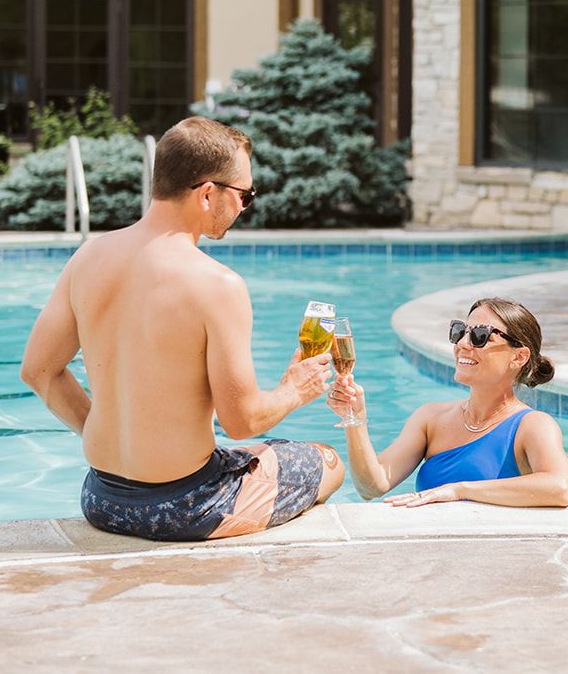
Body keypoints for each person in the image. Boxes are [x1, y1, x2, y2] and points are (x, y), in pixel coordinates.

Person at [20, 116, 344, 542]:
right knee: (327, 461)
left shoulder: (87, 258)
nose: (245, 206)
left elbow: (38, 371)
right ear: (208, 193)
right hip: (186, 508)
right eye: (245, 194)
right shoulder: (218, 285)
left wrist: (105, 432)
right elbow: (243, 421)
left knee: (245, 456)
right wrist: (294, 389)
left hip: (101, 499)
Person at [326, 297, 568, 507]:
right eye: (460, 332)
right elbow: (372, 486)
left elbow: (560, 487)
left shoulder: (532, 426)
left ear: (518, 356)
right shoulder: (430, 419)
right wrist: (355, 418)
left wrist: (460, 491)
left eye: (480, 336)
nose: (463, 344)